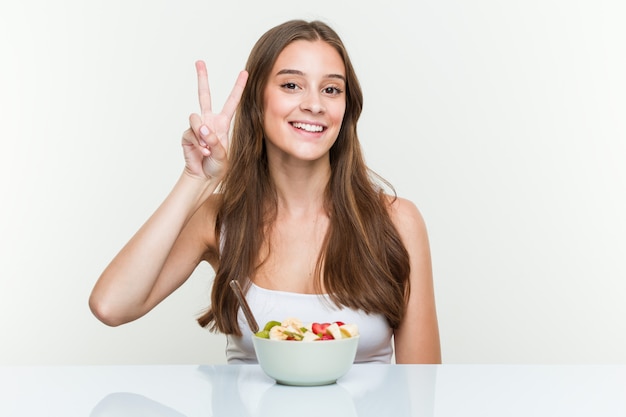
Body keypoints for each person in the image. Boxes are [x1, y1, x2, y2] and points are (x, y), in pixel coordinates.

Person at [89, 19, 441, 364]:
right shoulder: (219, 218)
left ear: (346, 108)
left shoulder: (398, 221)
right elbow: (111, 306)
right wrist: (195, 179)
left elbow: (422, 388)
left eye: (331, 89)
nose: (314, 104)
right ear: (258, 101)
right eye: (292, 85)